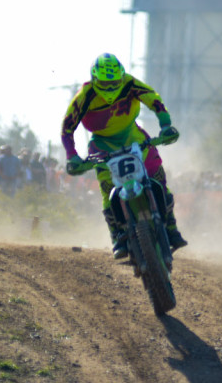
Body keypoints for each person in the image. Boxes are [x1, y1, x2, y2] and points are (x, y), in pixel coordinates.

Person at [60, 52, 186, 258]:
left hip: (133, 135)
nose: (110, 88)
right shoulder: (85, 95)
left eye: (114, 82)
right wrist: (71, 156)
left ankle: (171, 227)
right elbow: (67, 127)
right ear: (94, 79)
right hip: (102, 144)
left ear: (121, 75)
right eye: (105, 83)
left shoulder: (129, 83)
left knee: (157, 174)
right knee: (107, 187)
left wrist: (165, 125)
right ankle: (117, 236)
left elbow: (153, 99)